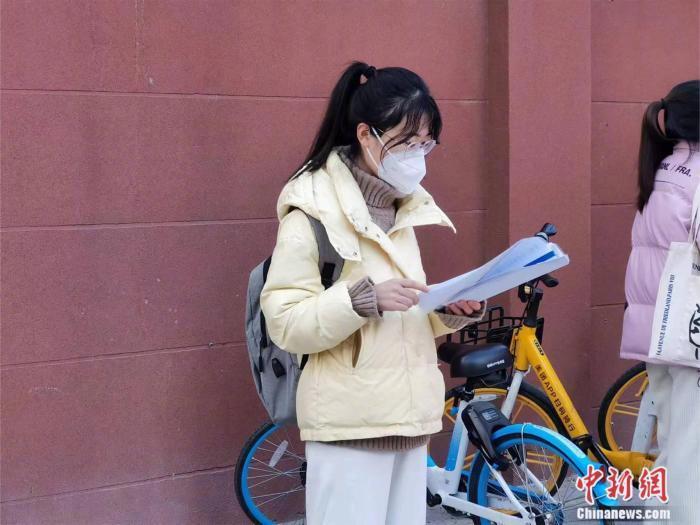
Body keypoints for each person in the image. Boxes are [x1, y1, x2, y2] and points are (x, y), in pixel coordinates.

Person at [260, 61, 485, 524]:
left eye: (427, 143)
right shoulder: (312, 212)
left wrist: (447, 312)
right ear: (366, 134)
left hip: (410, 420)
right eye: (407, 142)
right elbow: (284, 321)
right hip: (348, 425)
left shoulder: (402, 209)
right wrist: (360, 300)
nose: (418, 155)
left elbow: (400, 315)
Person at [620, 79, 700, 524]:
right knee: (691, 457)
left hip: (661, 332)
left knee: (675, 444)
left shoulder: (665, 168)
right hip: (691, 336)